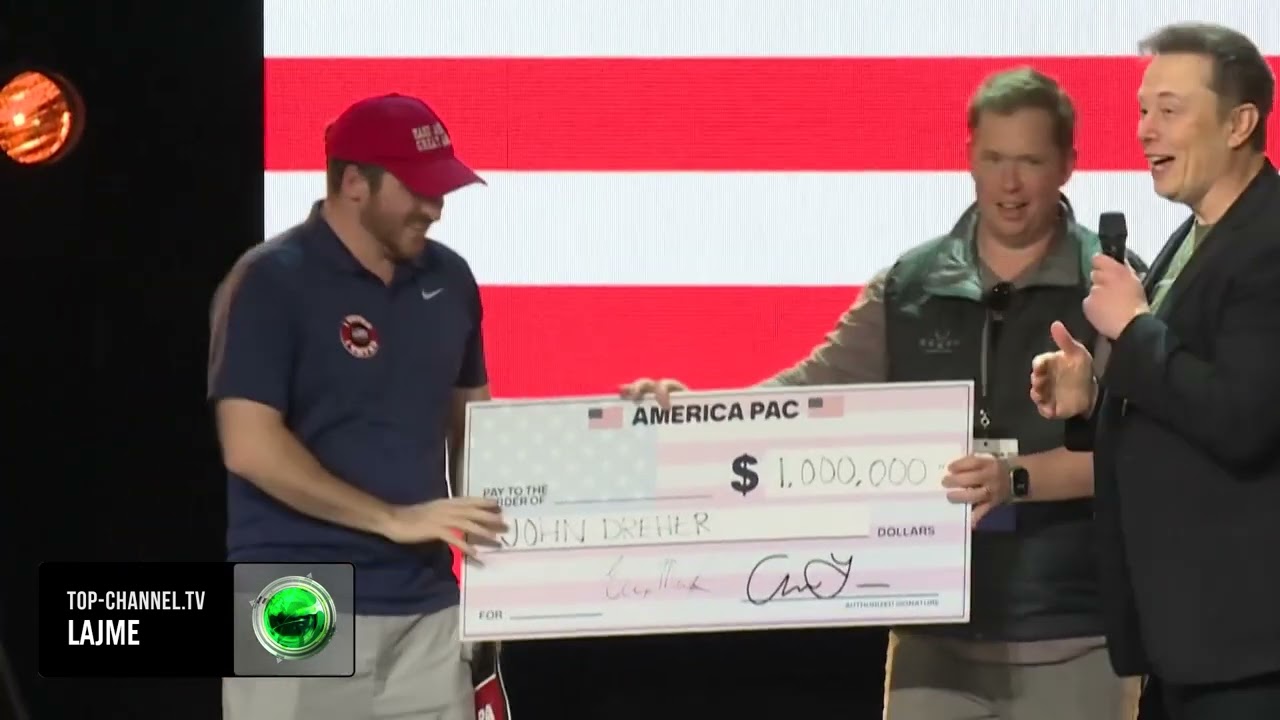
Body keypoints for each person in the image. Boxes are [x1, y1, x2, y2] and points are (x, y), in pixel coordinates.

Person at [622, 67, 1142, 719]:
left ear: (1067, 165)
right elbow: (805, 395)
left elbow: (1138, 453)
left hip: (1073, 632)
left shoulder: (1115, 288)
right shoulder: (906, 287)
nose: (1009, 183)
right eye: (994, 159)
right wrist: (695, 414)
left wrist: (1014, 479)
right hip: (930, 635)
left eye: (1030, 161)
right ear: (969, 158)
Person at [208, 93, 508, 720]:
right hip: (295, 596)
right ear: (353, 184)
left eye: (440, 189)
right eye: (417, 189)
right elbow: (249, 446)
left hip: (427, 608)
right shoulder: (269, 282)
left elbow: (479, 431)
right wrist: (392, 518)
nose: (435, 207)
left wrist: (505, 585)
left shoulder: (450, 279)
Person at [1029, 22, 1280, 720]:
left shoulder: (1270, 241)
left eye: (1169, 110)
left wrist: (1135, 330)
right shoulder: (1196, 235)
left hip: (1249, 653)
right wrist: (1094, 398)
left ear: (1239, 123)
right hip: (1186, 645)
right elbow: (1185, 399)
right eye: (1143, 110)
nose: (1145, 130)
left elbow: (1243, 419)